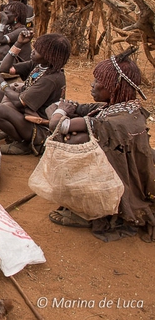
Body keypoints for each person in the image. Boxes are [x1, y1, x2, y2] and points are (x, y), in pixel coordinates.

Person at [44, 49, 155, 241]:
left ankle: (91, 212)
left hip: (120, 183)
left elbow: (56, 123)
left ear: (115, 86)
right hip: (120, 178)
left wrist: (60, 111)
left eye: (99, 82)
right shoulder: (120, 108)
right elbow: (58, 111)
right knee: (75, 136)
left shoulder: (114, 122)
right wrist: (61, 111)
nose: (92, 85)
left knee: (75, 141)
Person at [0, 31, 71, 155]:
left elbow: (19, 102)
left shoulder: (51, 79)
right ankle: (10, 130)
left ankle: (23, 143)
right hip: (25, 113)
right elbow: (4, 69)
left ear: (49, 56)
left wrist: (2, 82)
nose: (32, 51)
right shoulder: (40, 65)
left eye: (38, 51)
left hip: (39, 126)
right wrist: (18, 44)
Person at [0, 1, 29, 70]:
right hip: (8, 61)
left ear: (16, 16)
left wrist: (3, 22)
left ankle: (4, 72)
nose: (3, 15)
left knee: (2, 48)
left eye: (6, 13)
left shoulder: (22, 30)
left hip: (19, 65)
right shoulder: (8, 28)